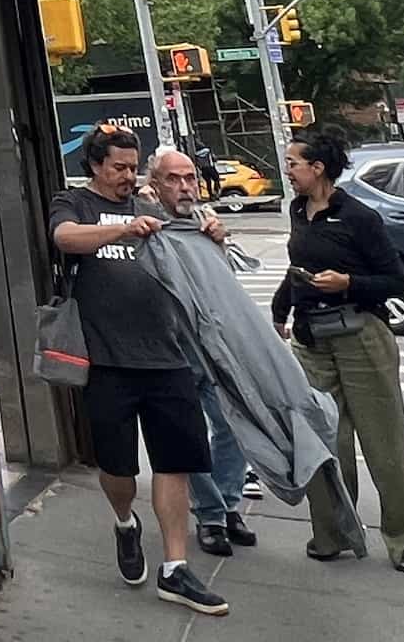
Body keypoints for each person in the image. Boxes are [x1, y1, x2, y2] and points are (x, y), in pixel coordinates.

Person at [48, 124, 228, 617]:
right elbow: (66, 239)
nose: (129, 177)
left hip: (168, 358)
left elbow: (194, 256)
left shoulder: (151, 209)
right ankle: (125, 522)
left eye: (133, 168)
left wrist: (211, 236)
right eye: (119, 168)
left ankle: (175, 567)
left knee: (174, 462)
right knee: (118, 468)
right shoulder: (75, 203)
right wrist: (121, 229)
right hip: (108, 363)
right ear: (95, 166)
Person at [272, 127, 404, 571]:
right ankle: (332, 534)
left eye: (292, 163)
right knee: (324, 442)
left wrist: (349, 283)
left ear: (317, 168)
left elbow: (395, 282)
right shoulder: (298, 210)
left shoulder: (360, 217)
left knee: (383, 443)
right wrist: (280, 310)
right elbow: (296, 266)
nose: (287, 170)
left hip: (361, 337)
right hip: (312, 339)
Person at [145, 149, 255, 557]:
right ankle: (210, 513)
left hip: (210, 344)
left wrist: (220, 242)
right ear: (155, 182)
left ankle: (227, 503)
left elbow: (222, 280)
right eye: (174, 178)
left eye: (190, 177)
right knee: (188, 434)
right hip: (168, 346)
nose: (185, 186)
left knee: (230, 425)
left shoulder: (203, 220)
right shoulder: (145, 216)